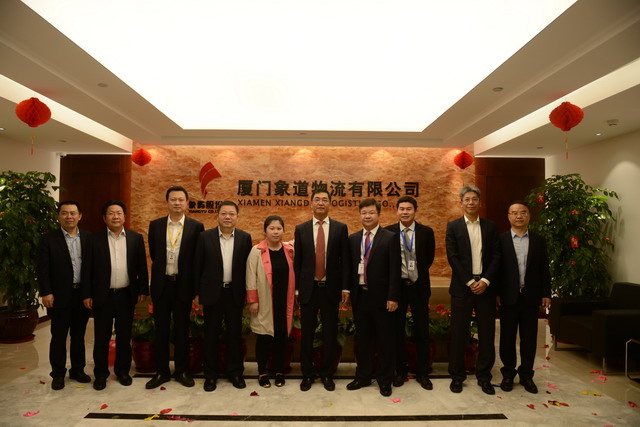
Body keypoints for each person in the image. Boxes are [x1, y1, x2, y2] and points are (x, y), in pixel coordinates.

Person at [82, 200, 149, 391]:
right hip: (103, 295)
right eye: (111, 213)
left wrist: (142, 290)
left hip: (126, 295)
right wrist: (87, 294)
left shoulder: (135, 238)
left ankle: (122, 371)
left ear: (124, 217)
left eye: (119, 213)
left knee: (124, 336)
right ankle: (101, 374)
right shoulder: (94, 239)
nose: (115, 216)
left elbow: (142, 267)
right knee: (101, 337)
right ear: (104, 218)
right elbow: (86, 269)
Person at [145, 186, 204, 389]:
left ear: (187, 203)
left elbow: (197, 259)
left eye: (181, 200)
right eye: (173, 199)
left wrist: (196, 290)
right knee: (160, 331)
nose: (177, 203)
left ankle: (181, 371)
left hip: (183, 286)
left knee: (182, 330)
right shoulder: (155, 225)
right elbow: (155, 254)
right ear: (167, 202)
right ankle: (161, 372)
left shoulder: (196, 226)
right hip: (162, 285)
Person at [445, 185, 500, 395]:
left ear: (479, 202)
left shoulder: (490, 227)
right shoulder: (453, 226)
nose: (470, 202)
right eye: (467, 199)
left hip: (486, 288)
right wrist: (469, 281)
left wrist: (485, 281)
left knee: (486, 334)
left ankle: (484, 376)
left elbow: (496, 256)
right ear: (461, 203)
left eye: (474, 199)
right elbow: (453, 257)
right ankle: (457, 376)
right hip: (462, 288)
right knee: (459, 333)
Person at [294, 190, 350, 392]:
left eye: (324, 200)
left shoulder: (340, 228)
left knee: (329, 333)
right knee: (307, 334)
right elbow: (298, 262)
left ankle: (327, 373)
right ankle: (307, 374)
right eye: (317, 200)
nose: (320, 203)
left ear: (330, 204)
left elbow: (345, 260)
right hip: (308, 289)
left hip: (330, 289)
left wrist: (345, 287)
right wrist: (297, 290)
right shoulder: (301, 229)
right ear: (311, 204)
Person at [194, 201, 252, 392]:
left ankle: (235, 373)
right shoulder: (205, 237)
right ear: (217, 216)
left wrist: (248, 293)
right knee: (211, 335)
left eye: (232, 214)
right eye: (224, 213)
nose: (228, 217)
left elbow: (247, 268)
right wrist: (197, 294)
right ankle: (211, 375)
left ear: (237, 217)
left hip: (234, 293)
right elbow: (197, 266)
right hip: (212, 294)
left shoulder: (244, 238)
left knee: (234, 335)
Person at [346, 198, 401, 397]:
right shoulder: (353, 239)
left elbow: (395, 269)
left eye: (371, 213)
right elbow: (349, 268)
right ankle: (363, 376)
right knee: (363, 340)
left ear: (378, 214)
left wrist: (393, 296)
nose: (367, 216)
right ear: (359, 215)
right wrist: (347, 291)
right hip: (361, 296)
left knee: (385, 340)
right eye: (364, 213)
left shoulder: (390, 237)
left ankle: (385, 380)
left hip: (383, 298)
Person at [37, 201, 91, 390]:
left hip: (82, 295)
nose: (69, 216)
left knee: (79, 335)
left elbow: (93, 268)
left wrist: (90, 293)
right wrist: (46, 292)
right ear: (59, 216)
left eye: (73, 213)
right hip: (58, 296)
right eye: (65, 213)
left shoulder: (89, 238)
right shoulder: (48, 239)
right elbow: (42, 270)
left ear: (80, 216)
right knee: (59, 336)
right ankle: (58, 374)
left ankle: (77, 370)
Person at [498, 201, 551, 394]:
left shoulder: (539, 240)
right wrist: (496, 293)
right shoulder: (501, 240)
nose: (518, 216)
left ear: (529, 216)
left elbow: (544, 269)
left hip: (531, 297)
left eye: (523, 212)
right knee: (507, 337)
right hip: (508, 297)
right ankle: (508, 374)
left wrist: (546, 293)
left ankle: (527, 375)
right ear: (508, 216)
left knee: (529, 338)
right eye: (514, 213)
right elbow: (497, 269)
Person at [385, 196, 435, 390]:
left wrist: (414, 274)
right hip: (397, 288)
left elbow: (428, 259)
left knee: (422, 331)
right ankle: (400, 370)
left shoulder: (426, 232)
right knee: (397, 331)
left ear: (415, 211)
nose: (405, 212)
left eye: (409, 209)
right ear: (397, 211)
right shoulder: (388, 232)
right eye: (402, 209)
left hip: (419, 287)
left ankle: (422, 372)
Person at [246, 216, 295, 388]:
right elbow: (250, 276)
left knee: (281, 337)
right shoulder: (256, 251)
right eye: (272, 228)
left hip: (284, 300)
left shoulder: (289, 250)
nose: (275, 232)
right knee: (263, 338)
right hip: (264, 301)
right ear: (265, 231)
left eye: (279, 229)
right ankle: (262, 372)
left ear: (283, 231)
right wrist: (253, 300)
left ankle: (279, 371)